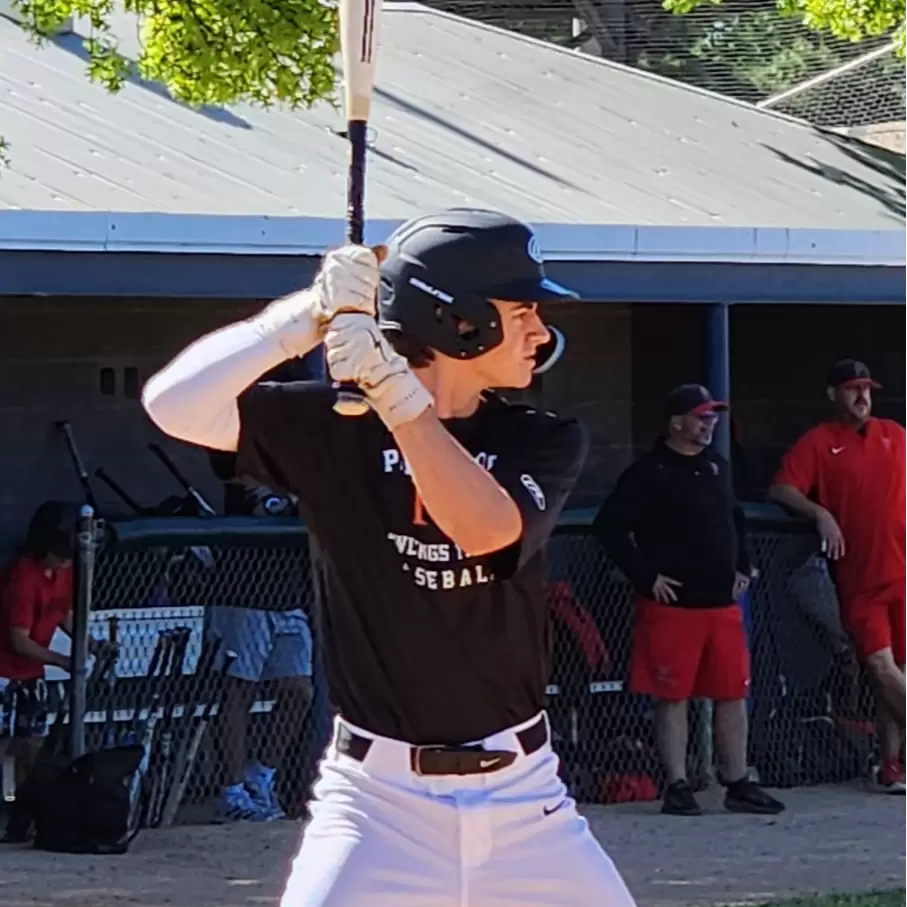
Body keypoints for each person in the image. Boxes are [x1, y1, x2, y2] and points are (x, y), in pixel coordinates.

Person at [142, 208, 637, 907]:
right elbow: (173, 405)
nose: (540, 331)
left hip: (526, 800)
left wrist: (398, 398)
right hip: (375, 803)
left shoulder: (541, 437)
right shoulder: (334, 424)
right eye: (522, 310)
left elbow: (487, 533)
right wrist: (304, 318)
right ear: (458, 321)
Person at [593, 384, 785, 817]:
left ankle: (737, 780)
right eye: (700, 417)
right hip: (672, 605)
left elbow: (735, 518)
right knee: (672, 695)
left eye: (711, 417)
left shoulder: (716, 465)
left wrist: (744, 565)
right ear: (676, 422)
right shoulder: (649, 472)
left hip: (721, 604)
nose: (708, 424)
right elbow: (610, 527)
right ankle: (677, 784)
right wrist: (645, 576)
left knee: (732, 692)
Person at [770, 360, 905, 794]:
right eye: (851, 388)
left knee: (897, 672)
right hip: (861, 578)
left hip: (903, 570)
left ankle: (891, 765)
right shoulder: (819, 441)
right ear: (833, 394)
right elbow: (782, 487)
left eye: (866, 388)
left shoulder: (895, 435)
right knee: (880, 666)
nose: (862, 396)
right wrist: (820, 512)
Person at [204, 446, 315, 823]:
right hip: (244, 598)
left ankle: (260, 775)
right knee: (239, 691)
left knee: (299, 690)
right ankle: (232, 792)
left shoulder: (296, 473)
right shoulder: (244, 479)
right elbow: (269, 508)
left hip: (288, 597)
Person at [0, 501, 79, 812]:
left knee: (31, 744)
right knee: (2, 740)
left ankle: (25, 813)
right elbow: (19, 640)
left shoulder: (64, 571)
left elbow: (63, 612)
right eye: (59, 555)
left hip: (32, 672)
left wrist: (87, 641)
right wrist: (62, 660)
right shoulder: (22, 575)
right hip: (4, 670)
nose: (64, 562)